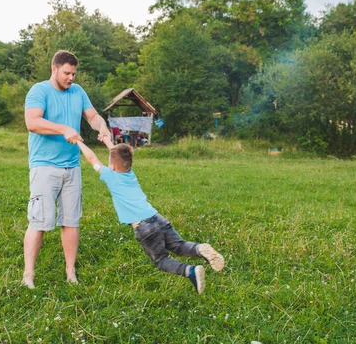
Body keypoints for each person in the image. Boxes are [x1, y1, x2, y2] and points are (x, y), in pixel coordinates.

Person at [76, 140, 224, 294]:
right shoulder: (130, 174)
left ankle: (190, 271)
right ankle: (200, 249)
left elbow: (93, 159)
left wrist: (79, 142)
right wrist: (107, 141)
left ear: (112, 166)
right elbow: (119, 155)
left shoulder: (110, 176)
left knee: (161, 261)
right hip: (157, 217)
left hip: (144, 227)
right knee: (179, 246)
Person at [23, 50, 110, 289]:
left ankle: (70, 272)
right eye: (66, 73)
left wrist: (101, 127)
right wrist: (62, 128)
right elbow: (32, 122)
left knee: (71, 221)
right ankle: (28, 275)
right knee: (39, 221)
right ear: (54, 69)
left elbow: (92, 117)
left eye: (73, 73)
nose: (71, 78)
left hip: (72, 167)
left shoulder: (78, 92)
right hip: (44, 166)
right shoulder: (40, 91)